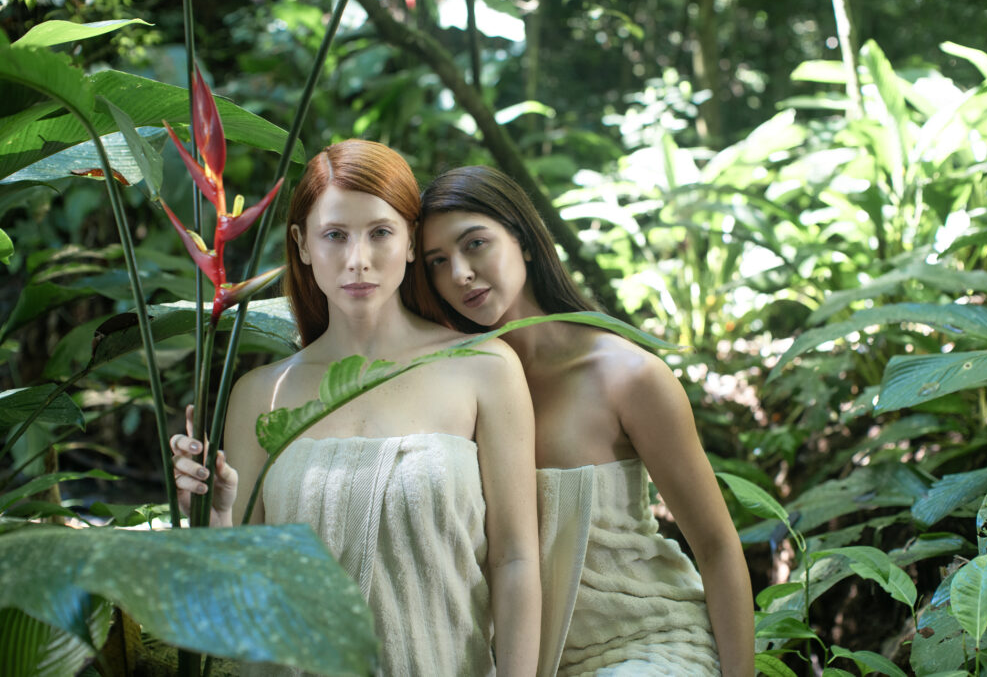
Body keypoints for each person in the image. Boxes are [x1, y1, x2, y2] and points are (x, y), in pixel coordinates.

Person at [170, 142, 541, 676]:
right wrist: (213, 517)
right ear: (302, 244)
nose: (358, 260)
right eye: (335, 235)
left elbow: (516, 560)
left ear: (411, 240)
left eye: (380, 233)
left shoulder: (484, 366)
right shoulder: (259, 393)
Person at [413, 165, 754, 677]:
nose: (459, 273)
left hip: (648, 645)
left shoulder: (627, 375)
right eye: (438, 262)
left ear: (525, 241)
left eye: (475, 244)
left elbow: (717, 546)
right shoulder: (450, 387)